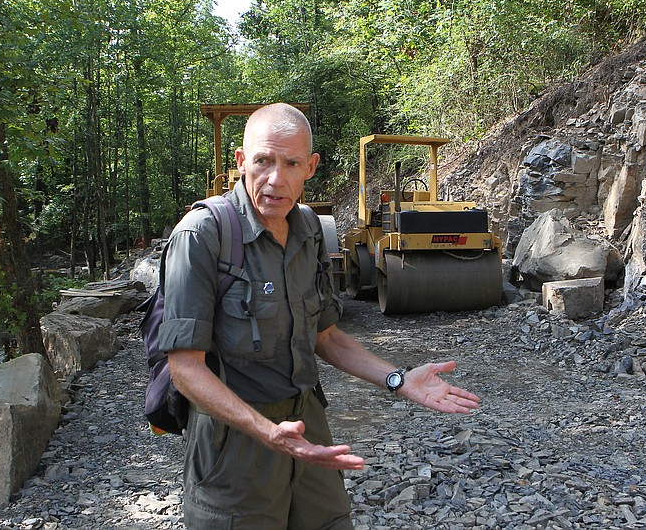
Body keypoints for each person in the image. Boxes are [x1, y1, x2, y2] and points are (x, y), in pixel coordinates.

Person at [159, 103, 481, 529]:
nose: (275, 179)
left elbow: (325, 336)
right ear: (241, 161)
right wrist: (267, 432)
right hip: (231, 445)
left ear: (309, 167)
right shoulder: (202, 235)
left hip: (308, 426)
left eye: (291, 163)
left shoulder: (309, 228)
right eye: (262, 161)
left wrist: (398, 379)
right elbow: (185, 369)